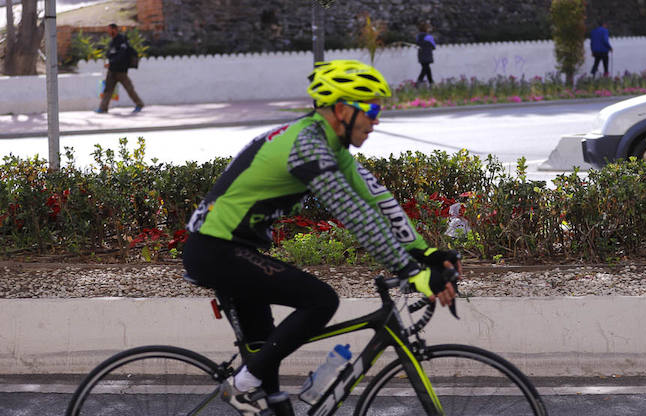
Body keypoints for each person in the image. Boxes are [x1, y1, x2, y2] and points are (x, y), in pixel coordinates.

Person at [182, 59, 459, 416]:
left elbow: (377, 201)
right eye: (371, 109)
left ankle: (249, 386)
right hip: (217, 251)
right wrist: (412, 272)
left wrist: (426, 252)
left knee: (269, 380)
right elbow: (355, 215)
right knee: (321, 300)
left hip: (233, 251)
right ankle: (240, 386)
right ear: (342, 109)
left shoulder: (330, 146)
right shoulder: (308, 147)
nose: (377, 120)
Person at [95, 23, 144, 114]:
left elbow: (122, 55)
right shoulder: (112, 42)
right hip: (112, 70)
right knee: (108, 89)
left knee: (129, 89)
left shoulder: (122, 40)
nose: (108, 32)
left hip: (121, 71)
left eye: (109, 30)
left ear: (115, 29)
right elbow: (110, 54)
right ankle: (103, 108)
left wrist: (112, 62)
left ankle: (139, 104)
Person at [415, 22, 436, 86]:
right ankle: (418, 82)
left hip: (421, 55)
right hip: (427, 55)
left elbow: (417, 44)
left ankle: (431, 82)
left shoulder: (418, 36)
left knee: (427, 68)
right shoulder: (429, 37)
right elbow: (434, 46)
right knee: (425, 69)